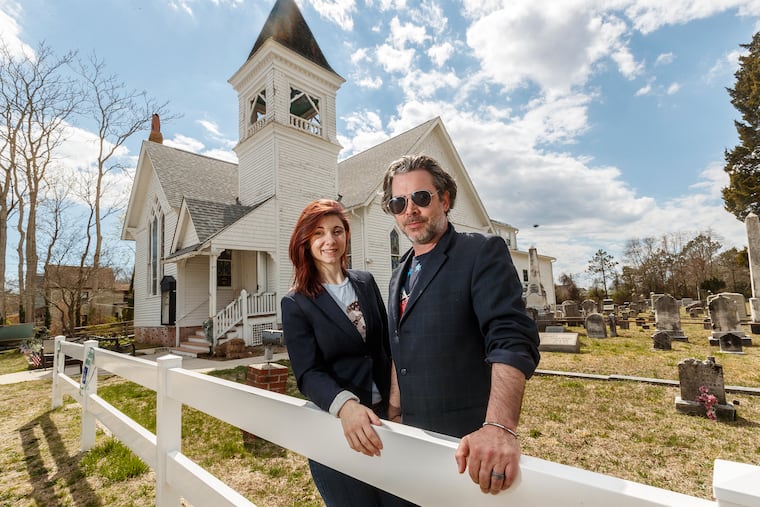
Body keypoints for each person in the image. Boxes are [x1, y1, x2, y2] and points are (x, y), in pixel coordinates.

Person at [381, 154, 540, 495]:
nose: (410, 210)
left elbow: (511, 338)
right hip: (409, 439)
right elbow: (400, 345)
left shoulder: (480, 252)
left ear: (445, 199)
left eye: (421, 198)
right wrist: (394, 410)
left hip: (466, 445)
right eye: (398, 202)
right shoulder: (398, 273)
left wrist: (498, 427)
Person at [281, 199, 413, 507]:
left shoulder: (365, 282)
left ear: (346, 236)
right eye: (319, 233)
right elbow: (308, 373)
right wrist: (346, 407)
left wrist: (396, 402)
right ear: (305, 241)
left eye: (337, 231)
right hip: (338, 428)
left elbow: (386, 347)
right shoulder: (296, 302)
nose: (330, 240)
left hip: (387, 421)